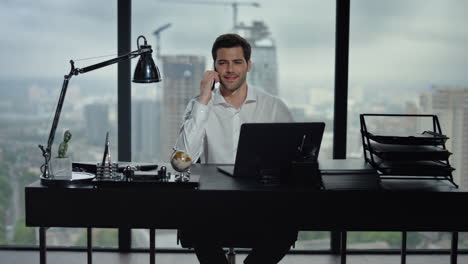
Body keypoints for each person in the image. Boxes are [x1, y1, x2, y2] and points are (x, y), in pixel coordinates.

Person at [174, 33, 297, 264]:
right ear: (214, 68)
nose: (230, 69)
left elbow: (295, 159)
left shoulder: (273, 107)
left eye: (237, 62)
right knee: (196, 223)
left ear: (248, 66)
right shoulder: (198, 105)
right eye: (223, 62)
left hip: (262, 204)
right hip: (213, 206)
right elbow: (181, 162)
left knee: (287, 227)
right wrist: (203, 100)